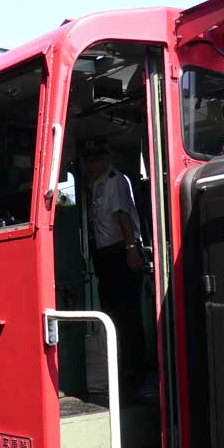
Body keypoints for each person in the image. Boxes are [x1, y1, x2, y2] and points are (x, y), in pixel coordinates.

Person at [83, 138, 147, 397]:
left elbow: (123, 218)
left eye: (93, 159)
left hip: (121, 252)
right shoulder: (95, 185)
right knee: (112, 313)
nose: (88, 164)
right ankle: (119, 370)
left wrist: (131, 250)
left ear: (103, 159)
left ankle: (134, 372)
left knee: (129, 314)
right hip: (106, 256)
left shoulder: (115, 181)